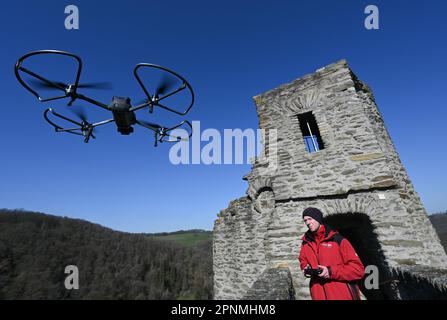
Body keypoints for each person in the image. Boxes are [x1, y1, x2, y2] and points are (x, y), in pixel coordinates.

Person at [298, 207, 365, 300]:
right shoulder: (306, 242)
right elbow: (303, 260)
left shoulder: (338, 240)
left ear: (318, 219)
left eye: (310, 219)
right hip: (318, 294)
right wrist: (305, 268)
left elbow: (358, 270)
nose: (308, 223)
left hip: (341, 294)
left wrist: (330, 271)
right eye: (305, 220)